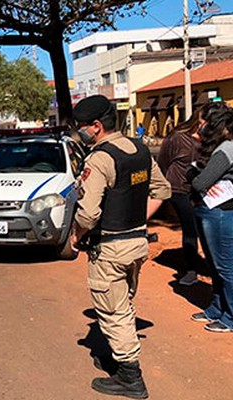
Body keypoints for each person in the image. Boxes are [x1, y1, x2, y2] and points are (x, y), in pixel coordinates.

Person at [70, 95, 171, 399]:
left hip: (111, 249)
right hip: (137, 244)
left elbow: (88, 213)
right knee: (124, 304)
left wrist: (75, 237)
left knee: (114, 312)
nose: (80, 132)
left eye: (82, 127)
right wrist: (137, 222)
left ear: (96, 126)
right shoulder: (138, 150)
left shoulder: (100, 158)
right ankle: (118, 358)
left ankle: (130, 377)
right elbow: (161, 190)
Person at [188, 102, 233, 333]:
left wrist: (193, 170)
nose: (200, 126)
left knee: (225, 267)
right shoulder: (219, 147)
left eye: (203, 122)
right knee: (215, 265)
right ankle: (217, 308)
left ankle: (231, 317)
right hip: (212, 211)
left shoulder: (226, 149)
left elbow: (199, 182)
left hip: (222, 214)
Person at [157, 111, 202, 286]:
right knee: (190, 227)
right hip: (179, 189)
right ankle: (191, 270)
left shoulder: (212, 139)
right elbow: (162, 162)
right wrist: (167, 184)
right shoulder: (177, 138)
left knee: (203, 227)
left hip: (202, 188)